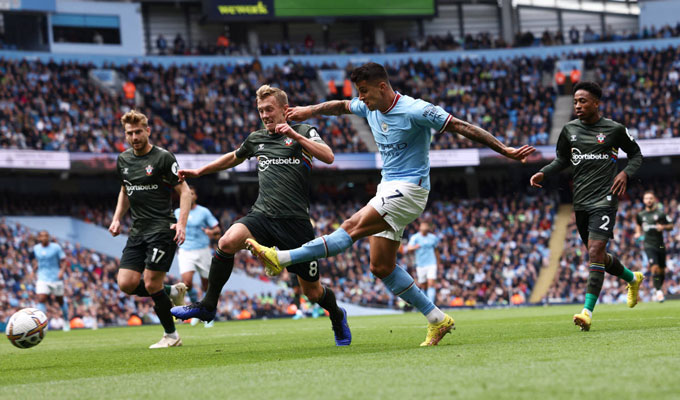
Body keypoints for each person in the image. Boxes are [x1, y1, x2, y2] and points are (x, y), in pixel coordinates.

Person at [246, 62, 535, 346]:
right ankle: (437, 319)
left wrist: (504, 149)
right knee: (381, 266)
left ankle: (281, 258)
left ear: (382, 87)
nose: (361, 98)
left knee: (351, 227)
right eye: (359, 92)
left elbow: (460, 126)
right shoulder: (368, 107)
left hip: (411, 188)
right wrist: (310, 110)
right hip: (388, 187)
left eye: (364, 91)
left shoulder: (415, 109)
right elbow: (341, 106)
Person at [170, 85, 352, 346]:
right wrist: (200, 172)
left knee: (312, 292)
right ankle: (208, 305)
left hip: (296, 223)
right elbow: (233, 157)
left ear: (284, 109)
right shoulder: (257, 138)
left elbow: (329, 156)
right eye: (260, 111)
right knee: (226, 241)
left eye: (269, 109)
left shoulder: (303, 131)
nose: (265, 115)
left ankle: (337, 314)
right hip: (263, 215)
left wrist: (294, 134)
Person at [530, 81, 644, 331]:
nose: (578, 106)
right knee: (599, 256)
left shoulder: (614, 129)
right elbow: (562, 159)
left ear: (596, 103)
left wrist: (624, 174)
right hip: (580, 201)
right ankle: (631, 278)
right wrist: (543, 173)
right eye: (575, 102)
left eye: (583, 101)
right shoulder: (569, 130)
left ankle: (586, 312)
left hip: (605, 199)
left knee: (594, 253)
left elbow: (636, 154)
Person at [109, 110, 192, 348]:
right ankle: (172, 292)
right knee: (126, 283)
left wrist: (182, 224)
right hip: (138, 230)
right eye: (129, 133)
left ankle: (171, 336)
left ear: (148, 131)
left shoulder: (163, 158)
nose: (134, 137)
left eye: (138, 132)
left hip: (162, 228)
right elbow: (125, 190)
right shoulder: (123, 160)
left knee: (151, 283)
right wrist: (117, 219)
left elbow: (184, 191)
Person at [174, 186, 220, 327]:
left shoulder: (203, 212)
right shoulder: (177, 212)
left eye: (192, 193)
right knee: (186, 283)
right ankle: (196, 310)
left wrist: (211, 233)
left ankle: (207, 314)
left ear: (195, 196)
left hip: (202, 250)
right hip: (185, 250)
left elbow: (217, 230)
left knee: (206, 284)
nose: (190, 195)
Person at [635, 191, 673, 302]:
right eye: (647, 198)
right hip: (648, 244)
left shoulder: (661, 214)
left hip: (660, 245)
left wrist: (664, 227)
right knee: (655, 267)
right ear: (644, 200)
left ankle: (658, 289)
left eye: (651, 198)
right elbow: (638, 225)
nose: (649, 200)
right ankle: (659, 291)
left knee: (662, 270)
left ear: (654, 199)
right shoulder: (641, 215)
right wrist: (638, 232)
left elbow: (671, 226)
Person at [33, 230, 70, 331]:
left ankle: (66, 321)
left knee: (60, 300)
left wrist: (62, 271)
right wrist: (33, 271)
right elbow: (39, 261)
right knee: (41, 298)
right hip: (42, 278)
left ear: (48, 237)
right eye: (42, 236)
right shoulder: (36, 248)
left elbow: (64, 261)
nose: (44, 238)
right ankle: (42, 325)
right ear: (39, 238)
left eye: (46, 236)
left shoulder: (56, 247)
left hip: (55, 278)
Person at [406, 221, 440, 303]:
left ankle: (431, 303)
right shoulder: (415, 238)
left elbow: (436, 251)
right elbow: (409, 248)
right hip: (420, 265)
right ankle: (425, 302)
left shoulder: (433, 237)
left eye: (426, 225)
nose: (425, 227)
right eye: (423, 225)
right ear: (420, 227)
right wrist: (415, 247)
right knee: (423, 285)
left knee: (431, 283)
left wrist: (438, 263)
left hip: (431, 263)